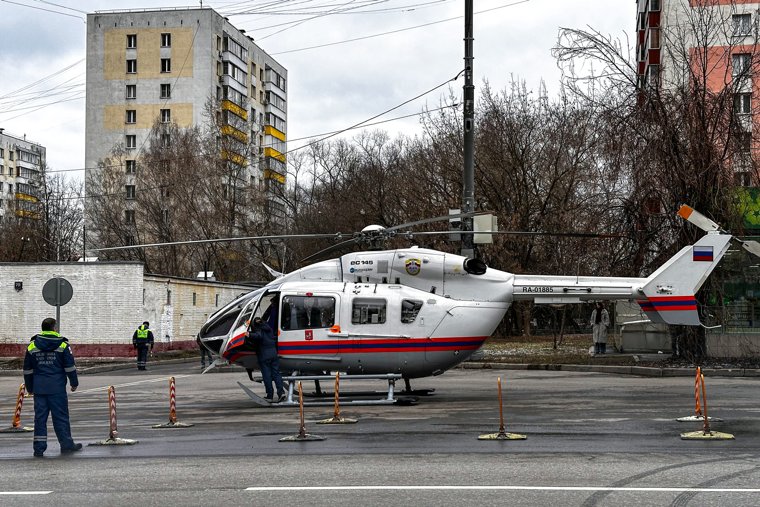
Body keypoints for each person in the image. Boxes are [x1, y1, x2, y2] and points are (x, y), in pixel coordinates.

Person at [23, 317, 82, 457]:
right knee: (61, 417)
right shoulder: (62, 344)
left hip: (39, 389)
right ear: (54, 328)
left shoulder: (32, 345)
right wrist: (74, 383)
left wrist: (30, 387)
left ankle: (39, 449)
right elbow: (69, 367)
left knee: (40, 419)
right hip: (57, 389)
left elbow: (27, 370)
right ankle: (67, 445)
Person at [248, 317, 285, 402]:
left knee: (267, 376)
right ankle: (281, 392)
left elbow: (259, 336)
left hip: (264, 355)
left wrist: (248, 334)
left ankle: (270, 396)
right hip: (273, 354)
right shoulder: (268, 327)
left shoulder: (258, 328)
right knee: (276, 374)